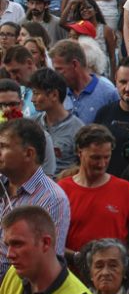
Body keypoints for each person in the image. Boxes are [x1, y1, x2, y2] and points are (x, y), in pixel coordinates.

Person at [0, 206, 102, 294]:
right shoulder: (13, 275)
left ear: (45, 243)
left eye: (17, 244)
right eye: (8, 245)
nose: (9, 254)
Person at [58, 125, 129, 255]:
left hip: (114, 272)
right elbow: (51, 241)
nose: (101, 164)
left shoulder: (123, 189)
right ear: (80, 152)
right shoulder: (62, 189)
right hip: (74, 272)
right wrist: (77, 257)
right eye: (95, 158)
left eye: (106, 157)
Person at [0, 118, 70, 277]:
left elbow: (48, 263)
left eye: (3, 146)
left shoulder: (52, 198)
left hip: (15, 291)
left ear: (28, 153)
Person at [27, 67, 84, 174]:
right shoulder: (31, 124)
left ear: (54, 95)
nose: (32, 99)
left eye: (36, 93)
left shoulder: (78, 129)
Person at [49, 39, 118, 125]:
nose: (56, 75)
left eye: (59, 69)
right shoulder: (58, 94)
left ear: (75, 64)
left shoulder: (108, 94)